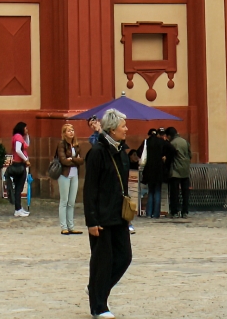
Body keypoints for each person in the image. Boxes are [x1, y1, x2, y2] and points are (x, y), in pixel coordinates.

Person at [84, 108, 133, 319]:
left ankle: (95, 288)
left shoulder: (121, 151)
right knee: (102, 261)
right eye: (123, 126)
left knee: (124, 257)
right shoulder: (97, 152)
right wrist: (91, 220)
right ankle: (98, 306)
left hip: (119, 215)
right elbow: (90, 189)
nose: (126, 129)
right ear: (112, 129)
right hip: (102, 217)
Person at [55, 122, 84, 235]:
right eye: (69, 130)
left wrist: (71, 159)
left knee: (71, 202)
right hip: (64, 174)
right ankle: (64, 227)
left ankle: (71, 226)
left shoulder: (76, 145)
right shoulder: (61, 144)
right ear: (64, 133)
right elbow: (63, 160)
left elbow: (81, 160)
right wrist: (74, 159)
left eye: (72, 130)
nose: (71, 132)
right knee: (64, 200)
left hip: (74, 174)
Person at [139, 127, 168, 219]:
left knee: (150, 191)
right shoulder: (161, 142)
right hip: (159, 169)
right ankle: (156, 214)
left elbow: (139, 152)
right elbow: (171, 150)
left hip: (149, 169)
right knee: (157, 191)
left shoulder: (146, 142)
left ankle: (148, 213)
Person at [166, 126, 192, 219]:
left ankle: (174, 211)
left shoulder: (172, 143)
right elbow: (190, 154)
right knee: (185, 193)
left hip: (175, 171)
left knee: (174, 193)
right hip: (185, 170)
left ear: (169, 135)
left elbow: (170, 157)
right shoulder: (185, 141)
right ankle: (185, 211)